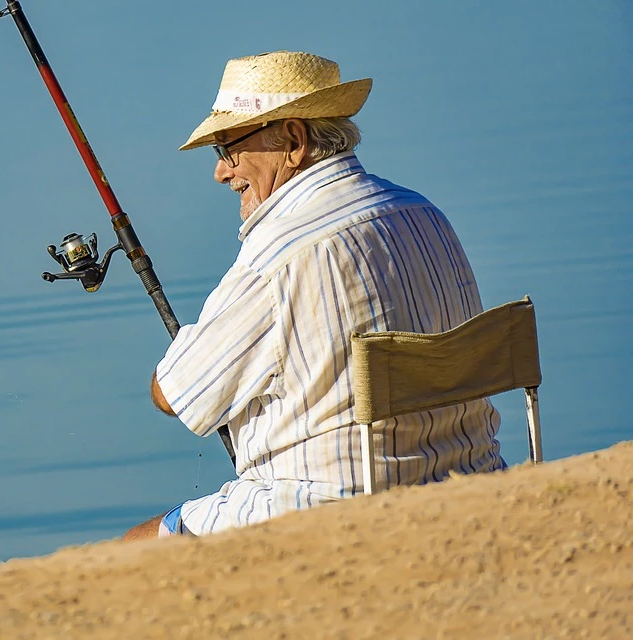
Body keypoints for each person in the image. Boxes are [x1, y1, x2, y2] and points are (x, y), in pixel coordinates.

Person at [124, 51, 505, 541]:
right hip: (473, 480)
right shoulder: (424, 212)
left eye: (227, 149)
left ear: (294, 141)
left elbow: (175, 394)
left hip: (329, 505)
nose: (222, 172)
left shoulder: (276, 255)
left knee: (132, 547)